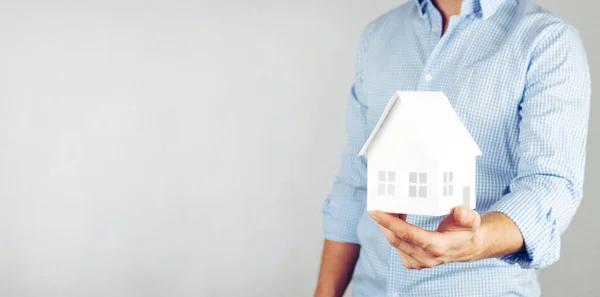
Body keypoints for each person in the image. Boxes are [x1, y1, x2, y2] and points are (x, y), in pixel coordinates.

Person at [314, 0, 591, 296]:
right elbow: (356, 181)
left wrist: (478, 240)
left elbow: (550, 184)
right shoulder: (379, 35)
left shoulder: (547, 39)